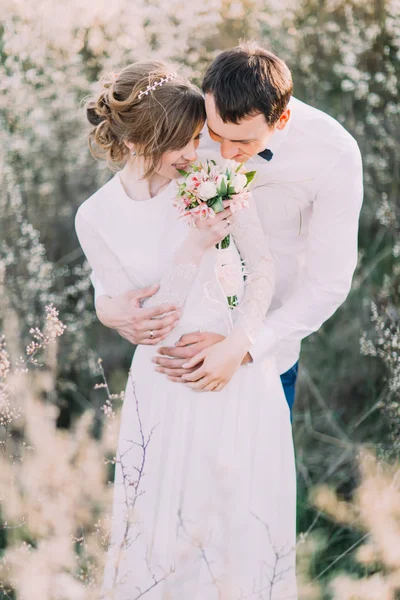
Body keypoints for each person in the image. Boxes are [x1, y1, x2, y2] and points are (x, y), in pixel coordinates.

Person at [75, 61, 297, 598]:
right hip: (164, 384)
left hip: (236, 378)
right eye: (183, 140)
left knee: (241, 529)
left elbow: (261, 269)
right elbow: (151, 318)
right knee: (163, 529)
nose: (195, 151)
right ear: (138, 141)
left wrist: (239, 343)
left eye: (197, 137)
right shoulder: (95, 217)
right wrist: (192, 248)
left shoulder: (212, 179)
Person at [94, 43, 363, 418]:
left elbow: (328, 283)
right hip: (174, 356)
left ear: (281, 120)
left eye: (242, 142)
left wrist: (244, 345)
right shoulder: (190, 122)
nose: (222, 155)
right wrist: (106, 304)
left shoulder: (334, 154)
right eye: (215, 137)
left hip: (268, 355)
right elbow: (129, 220)